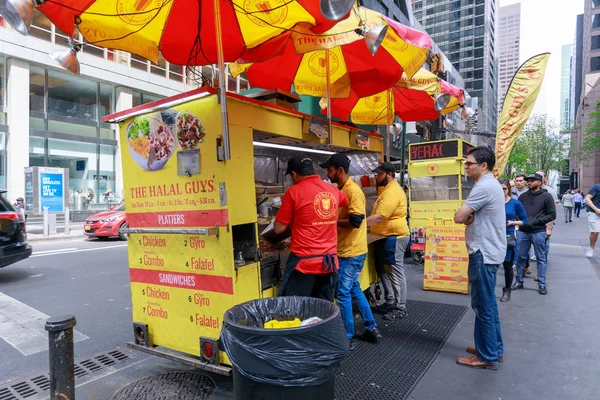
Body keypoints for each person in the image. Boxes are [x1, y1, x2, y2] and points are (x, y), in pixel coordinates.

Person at [320, 154, 382, 349]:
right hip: (352, 249)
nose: (327, 173)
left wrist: (331, 221)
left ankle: (346, 336)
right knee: (354, 288)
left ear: (339, 170)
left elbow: (355, 221)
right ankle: (371, 327)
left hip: (350, 252)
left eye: (329, 170)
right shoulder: (342, 190)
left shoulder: (352, 191)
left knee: (343, 293)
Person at [454, 146, 506, 370]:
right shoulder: (490, 184)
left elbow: (459, 216)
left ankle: (486, 355)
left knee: (483, 305)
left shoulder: (483, 187)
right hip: (490, 251)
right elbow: (467, 218)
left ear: (483, 165)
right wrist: (467, 217)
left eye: (469, 163)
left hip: (483, 252)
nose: (466, 166)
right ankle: (493, 348)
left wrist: (465, 216)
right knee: (489, 304)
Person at [275, 156, 348, 301]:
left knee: (297, 310)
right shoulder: (332, 190)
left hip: (303, 264)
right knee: (324, 310)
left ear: (294, 174)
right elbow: (345, 201)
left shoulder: (293, 192)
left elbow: (278, 228)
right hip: (329, 263)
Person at [366, 162, 410, 321]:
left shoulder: (393, 191)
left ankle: (400, 307)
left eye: (380, 174)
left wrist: (361, 224)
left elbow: (381, 216)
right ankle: (390, 302)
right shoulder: (387, 190)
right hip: (386, 236)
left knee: (395, 271)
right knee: (384, 270)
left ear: (389, 174)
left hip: (395, 237)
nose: (377, 177)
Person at [512, 173, 556, 295]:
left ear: (540, 182)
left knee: (541, 258)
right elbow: (517, 211)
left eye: (532, 180)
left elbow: (552, 214)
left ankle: (542, 284)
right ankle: (519, 281)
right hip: (523, 232)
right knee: (521, 257)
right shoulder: (523, 197)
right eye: (529, 180)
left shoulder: (547, 196)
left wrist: (537, 222)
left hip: (538, 232)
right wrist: (519, 221)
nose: (529, 182)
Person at [498, 180, 527, 302]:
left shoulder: (515, 203)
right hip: (493, 237)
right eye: (499, 189)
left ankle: (507, 290)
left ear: (509, 189)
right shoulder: (493, 202)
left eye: (504, 188)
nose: (502, 191)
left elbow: (524, 220)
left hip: (508, 237)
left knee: (507, 266)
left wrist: (512, 223)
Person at [584, 184, 600, 257]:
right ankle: (591, 248)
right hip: (594, 212)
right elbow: (587, 198)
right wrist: (596, 209)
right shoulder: (597, 187)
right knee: (595, 232)